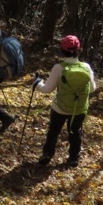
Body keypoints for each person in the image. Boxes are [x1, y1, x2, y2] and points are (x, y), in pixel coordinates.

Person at [33, 35, 96, 168]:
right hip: (79, 108)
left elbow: (47, 89)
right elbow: (92, 88)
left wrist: (37, 83)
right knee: (75, 131)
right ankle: (73, 158)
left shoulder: (59, 67)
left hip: (60, 107)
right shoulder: (86, 67)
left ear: (62, 50)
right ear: (78, 50)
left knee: (54, 131)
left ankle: (47, 154)